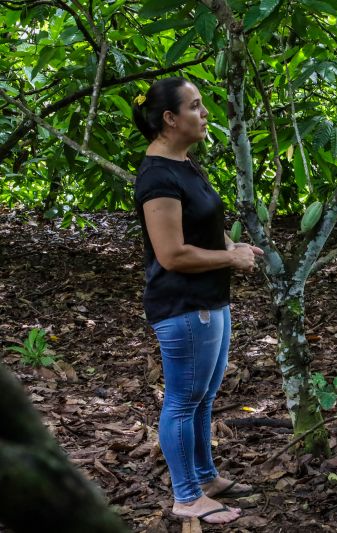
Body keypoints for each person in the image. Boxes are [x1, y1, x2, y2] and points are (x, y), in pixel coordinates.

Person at [132, 77, 264, 525]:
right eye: (195, 106)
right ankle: (186, 497)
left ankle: (205, 478)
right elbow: (171, 254)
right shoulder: (158, 177)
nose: (205, 113)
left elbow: (202, 224)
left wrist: (232, 246)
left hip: (210, 299)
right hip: (184, 306)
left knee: (204, 397)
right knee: (183, 402)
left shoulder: (184, 162)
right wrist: (231, 257)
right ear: (170, 118)